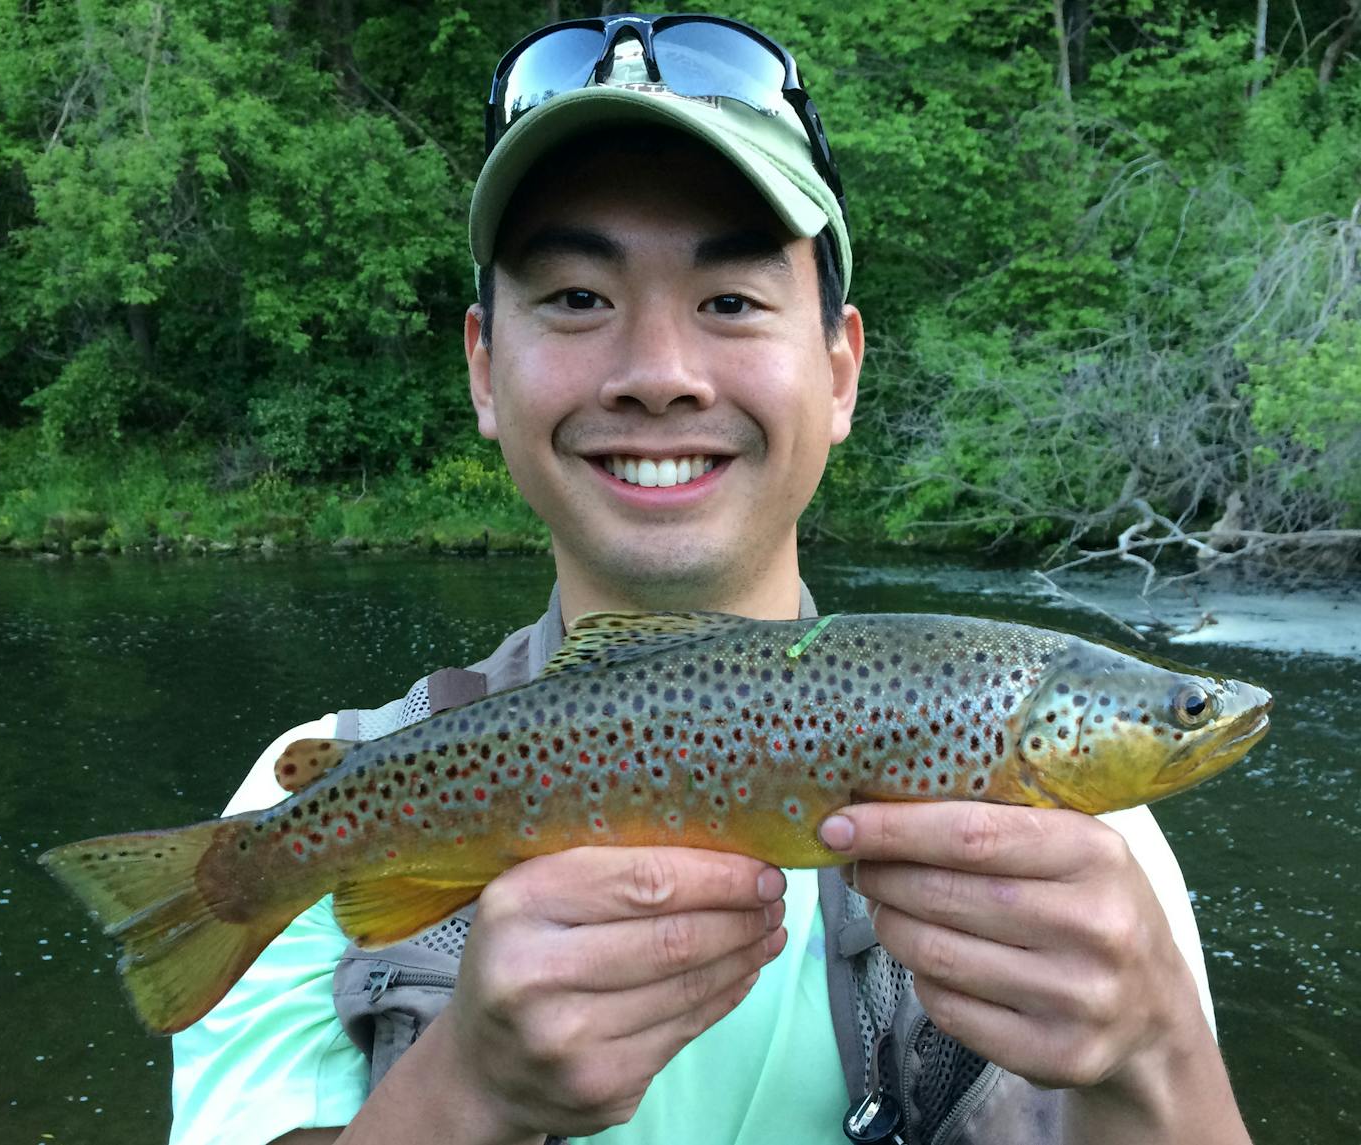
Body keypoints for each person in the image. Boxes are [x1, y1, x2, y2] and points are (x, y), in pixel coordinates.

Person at [170, 13, 1252, 1145]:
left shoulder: (1098, 854)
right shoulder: (295, 811)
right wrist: (463, 1095)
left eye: (729, 301)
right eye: (578, 297)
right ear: (484, 370)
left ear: (838, 371)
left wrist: (1151, 1053)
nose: (658, 374)